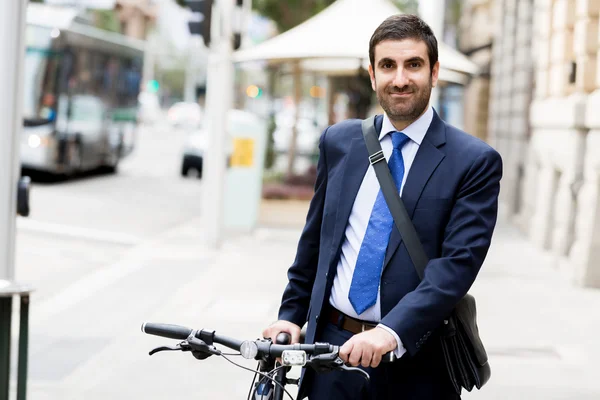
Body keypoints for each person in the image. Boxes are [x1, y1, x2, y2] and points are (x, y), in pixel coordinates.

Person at [263, 14, 503, 400]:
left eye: (414, 65)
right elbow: (316, 245)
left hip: (416, 362)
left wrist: (389, 333)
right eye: (388, 66)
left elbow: (456, 267)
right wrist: (290, 316)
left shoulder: (474, 161)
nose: (400, 79)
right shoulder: (339, 142)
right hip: (329, 355)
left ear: (434, 72)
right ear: (373, 75)